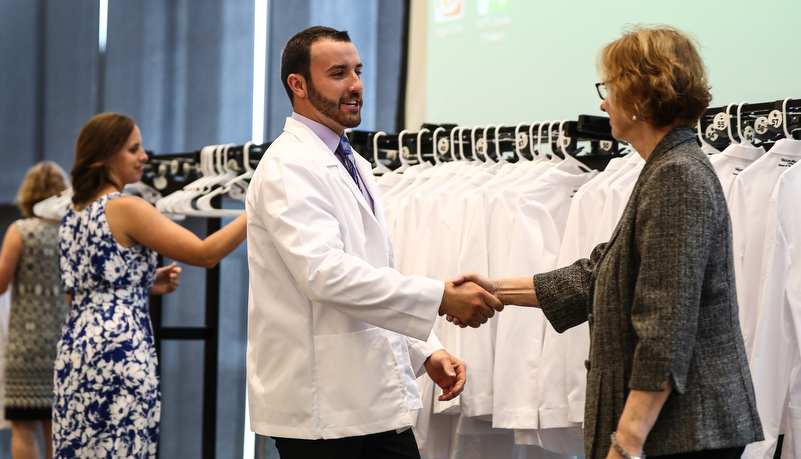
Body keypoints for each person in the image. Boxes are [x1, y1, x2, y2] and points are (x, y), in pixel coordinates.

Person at [454, 25, 763, 459]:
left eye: (609, 87)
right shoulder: (666, 167)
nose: (603, 101)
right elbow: (598, 274)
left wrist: (627, 441)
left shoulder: (677, 175)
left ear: (639, 94)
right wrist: (494, 290)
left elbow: (665, 324)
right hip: (676, 430)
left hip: (682, 431)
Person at [245, 26, 503, 458]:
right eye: (339, 73)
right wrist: (440, 297)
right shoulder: (288, 167)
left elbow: (374, 273)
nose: (356, 86)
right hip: (325, 411)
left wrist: (426, 351)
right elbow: (325, 275)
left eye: (358, 72)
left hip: (361, 402)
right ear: (298, 85)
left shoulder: (350, 161)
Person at [53, 112, 247, 459]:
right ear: (106, 156)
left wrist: (143, 282)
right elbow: (204, 254)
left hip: (76, 347)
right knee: (123, 446)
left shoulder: (74, 213)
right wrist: (258, 207)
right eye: (134, 149)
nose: (144, 156)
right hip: (120, 349)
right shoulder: (127, 208)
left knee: (82, 447)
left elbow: (79, 292)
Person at [0, 162, 69, 459]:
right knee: (59, 427)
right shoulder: (72, 232)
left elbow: (1, 283)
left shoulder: (20, 231)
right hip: (65, 341)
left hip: (25, 344)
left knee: (23, 427)